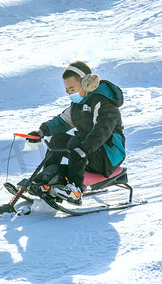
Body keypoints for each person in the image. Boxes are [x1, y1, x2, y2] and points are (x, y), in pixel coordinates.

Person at [27, 61, 126, 205]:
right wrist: (41, 132)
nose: (69, 92)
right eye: (67, 90)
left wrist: (84, 147)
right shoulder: (78, 104)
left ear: (87, 83)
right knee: (58, 139)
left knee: (76, 142)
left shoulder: (104, 103)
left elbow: (102, 131)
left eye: (71, 88)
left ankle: (76, 190)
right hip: (89, 150)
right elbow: (62, 121)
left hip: (109, 156)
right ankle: (46, 180)